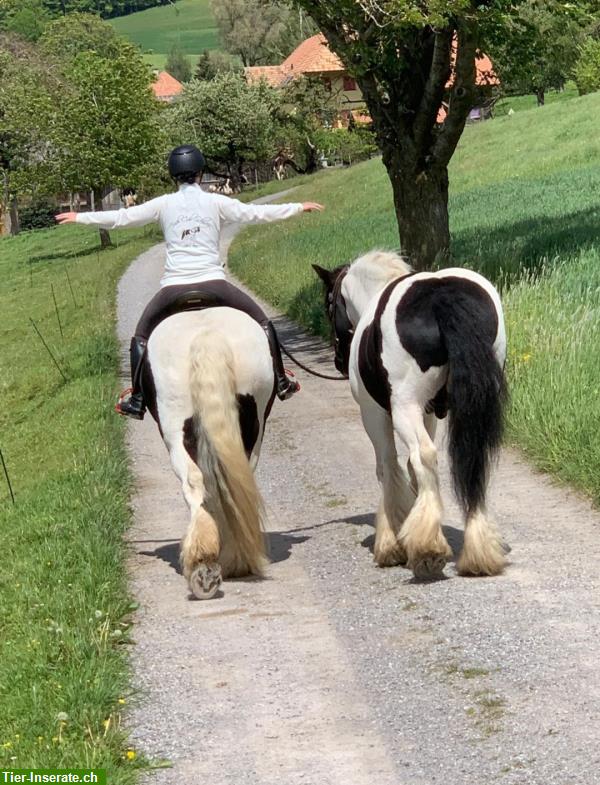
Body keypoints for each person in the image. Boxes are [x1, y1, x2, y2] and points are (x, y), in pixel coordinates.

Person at [56, 144, 324, 420]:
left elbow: (122, 218)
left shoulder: (163, 204)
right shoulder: (216, 202)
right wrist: (297, 207)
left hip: (173, 289)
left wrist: (80, 217)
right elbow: (255, 214)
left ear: (174, 175)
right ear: (200, 172)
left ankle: (136, 398)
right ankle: (280, 380)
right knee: (264, 323)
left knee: (141, 337)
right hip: (215, 284)